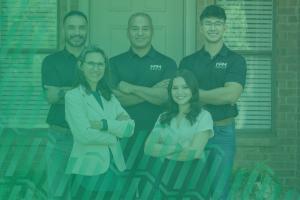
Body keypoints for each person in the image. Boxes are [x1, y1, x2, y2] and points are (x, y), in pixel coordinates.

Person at [179, 5, 247, 200]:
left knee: (219, 193)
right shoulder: (188, 62)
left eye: (218, 23)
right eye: (208, 23)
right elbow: (179, 96)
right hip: (191, 131)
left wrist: (193, 93)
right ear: (201, 28)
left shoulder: (236, 61)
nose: (212, 27)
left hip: (222, 133)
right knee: (191, 192)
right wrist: (199, 94)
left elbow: (230, 95)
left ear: (225, 28)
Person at [109, 12, 177, 199]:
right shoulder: (113, 63)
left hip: (155, 142)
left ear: (153, 32)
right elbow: (113, 99)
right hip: (122, 143)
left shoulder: (167, 63)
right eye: (135, 28)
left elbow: (165, 97)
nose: (140, 33)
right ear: (127, 33)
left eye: (145, 28)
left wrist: (130, 88)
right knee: (123, 195)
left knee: (152, 195)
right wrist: (152, 91)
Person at [64, 44, 135, 199]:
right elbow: (84, 135)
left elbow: (130, 128)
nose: (96, 68)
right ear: (81, 65)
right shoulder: (73, 97)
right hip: (86, 173)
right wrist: (115, 136)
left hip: (113, 170)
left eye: (100, 64)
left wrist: (103, 124)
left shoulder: (109, 96)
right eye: (91, 63)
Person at [144, 69, 214, 200]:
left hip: (193, 176)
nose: (179, 92)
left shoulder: (203, 116)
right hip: (168, 176)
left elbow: (194, 153)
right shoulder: (163, 117)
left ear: (193, 89)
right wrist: (179, 148)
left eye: (184, 87)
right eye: (175, 88)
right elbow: (148, 148)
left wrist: (164, 152)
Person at [41, 10, 89, 199]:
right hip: (59, 138)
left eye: (81, 27)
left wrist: (62, 91)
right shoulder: (50, 61)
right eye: (71, 27)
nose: (76, 32)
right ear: (63, 31)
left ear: (87, 30)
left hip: (89, 139)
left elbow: (101, 94)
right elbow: (51, 97)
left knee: (86, 195)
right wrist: (86, 90)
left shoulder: (97, 61)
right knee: (57, 195)